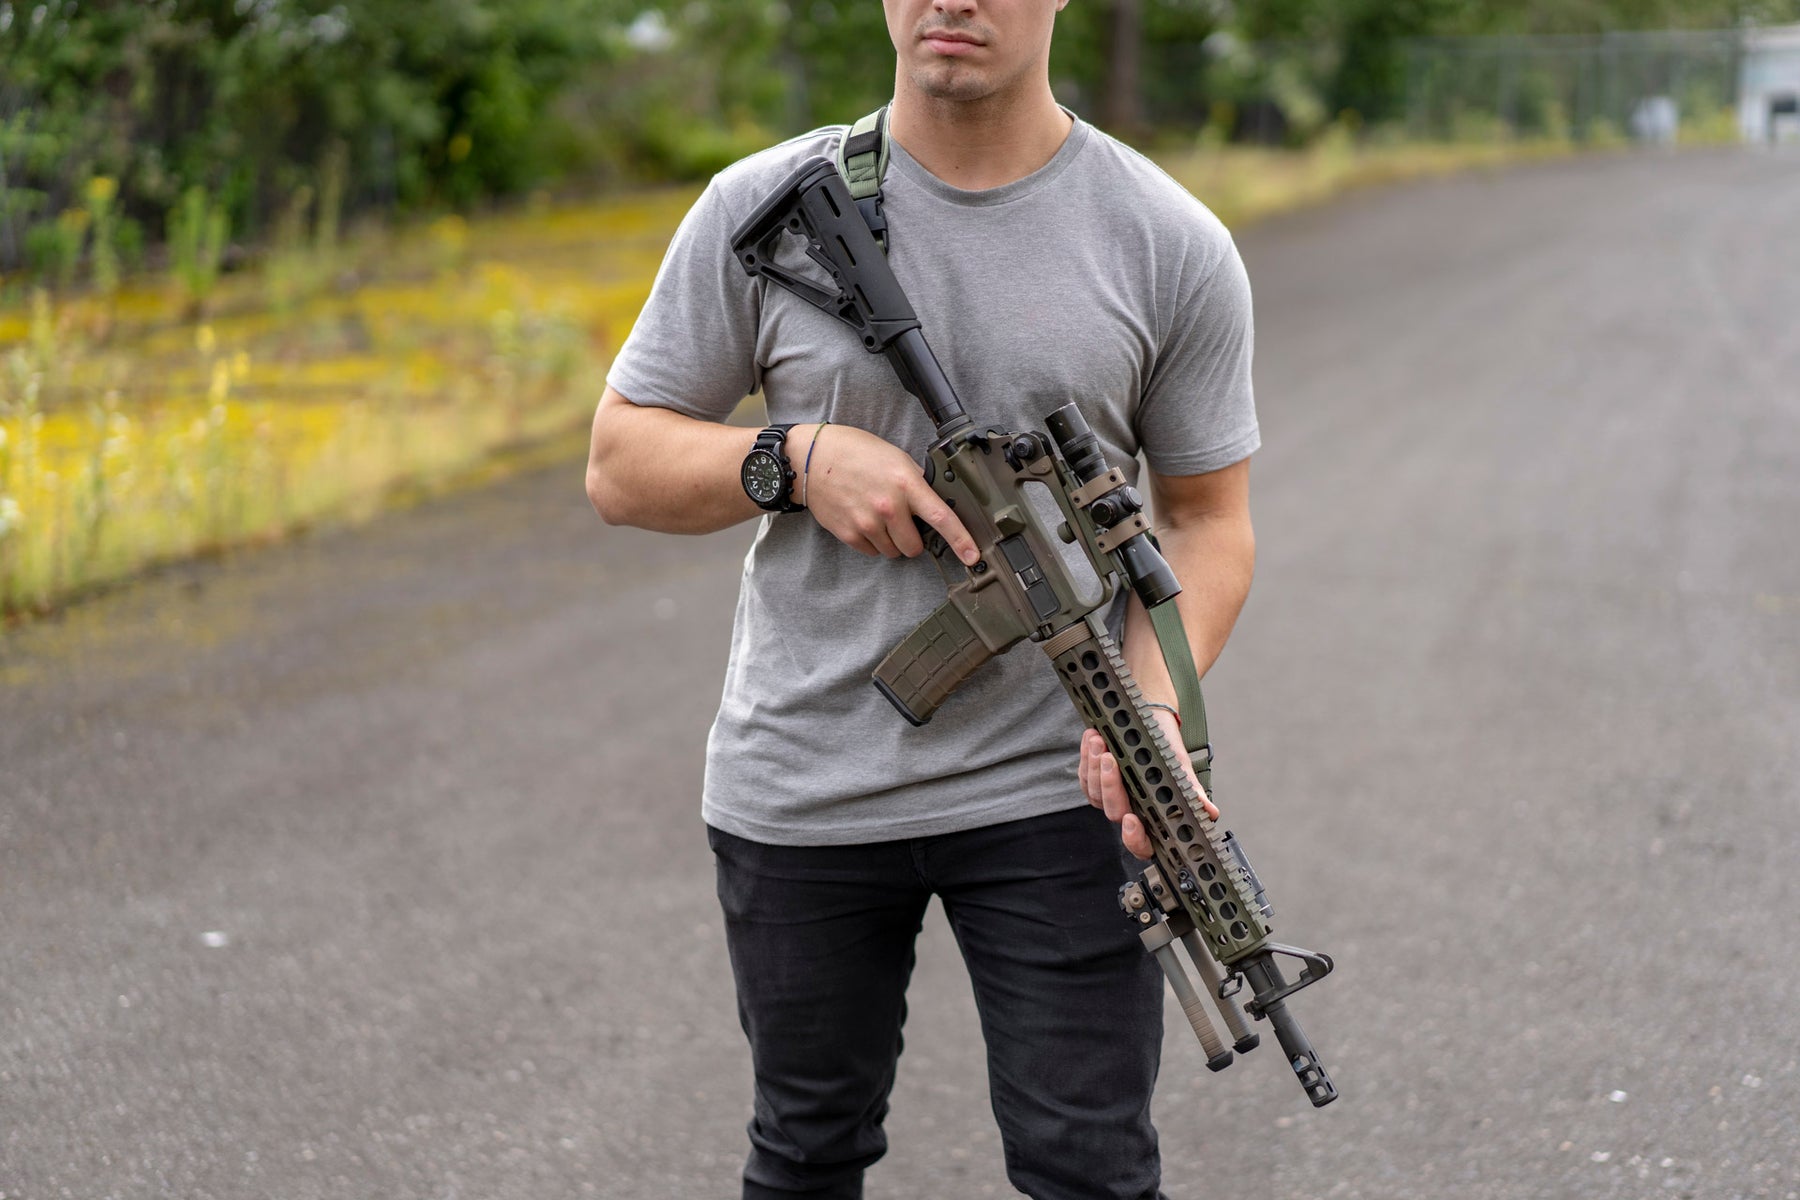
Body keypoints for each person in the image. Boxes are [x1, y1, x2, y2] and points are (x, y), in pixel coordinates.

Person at [585, 1, 1257, 1196]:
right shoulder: (765, 203)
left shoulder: (1165, 238)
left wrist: (1152, 707)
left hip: (1058, 787)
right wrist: (790, 460)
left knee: (1091, 1167)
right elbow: (618, 464)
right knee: (806, 1153)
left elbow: (1207, 520)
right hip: (807, 781)